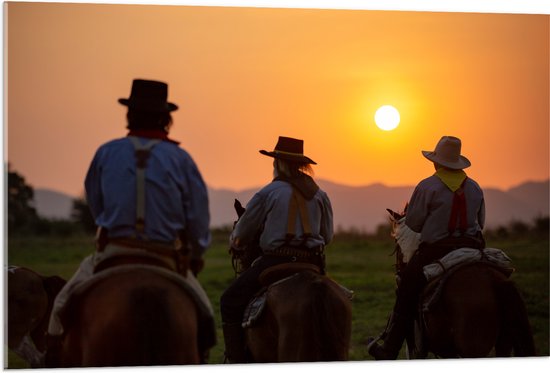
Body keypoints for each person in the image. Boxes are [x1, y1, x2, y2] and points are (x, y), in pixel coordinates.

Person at [45, 78, 212, 365]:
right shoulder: (181, 159)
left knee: (59, 314)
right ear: (166, 118)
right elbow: (197, 216)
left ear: (129, 114)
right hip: (165, 255)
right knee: (207, 322)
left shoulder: (106, 152)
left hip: (115, 251)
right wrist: (196, 253)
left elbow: (96, 205)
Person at [367, 135, 486, 360]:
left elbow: (413, 223)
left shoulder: (428, 186)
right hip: (472, 248)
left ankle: (390, 349)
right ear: (457, 161)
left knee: (406, 291)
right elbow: (482, 222)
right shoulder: (475, 188)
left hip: (436, 251)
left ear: (436, 162)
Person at [220, 136, 334, 363]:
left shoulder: (267, 193)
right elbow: (327, 236)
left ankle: (235, 360)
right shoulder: (321, 195)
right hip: (312, 263)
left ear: (278, 163)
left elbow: (242, 234)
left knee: (229, 301)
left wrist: (235, 242)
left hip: (274, 261)